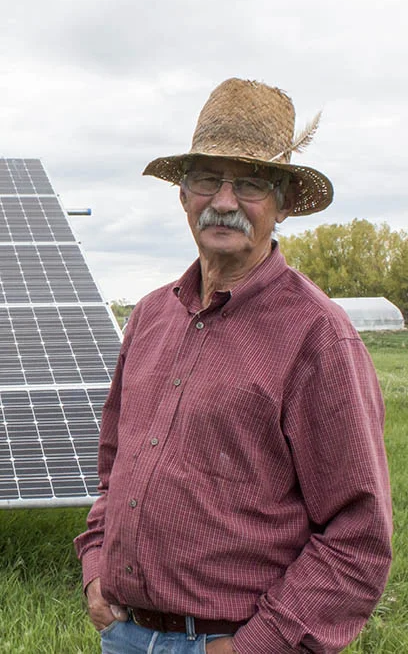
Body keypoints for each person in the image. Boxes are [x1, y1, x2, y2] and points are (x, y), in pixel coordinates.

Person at [74, 78, 393, 654]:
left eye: (248, 184)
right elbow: (114, 467)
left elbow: (358, 538)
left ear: (283, 203)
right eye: (205, 179)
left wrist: (254, 647)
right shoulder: (149, 317)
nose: (223, 201)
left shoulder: (317, 336)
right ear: (182, 194)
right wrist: (96, 566)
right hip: (122, 634)